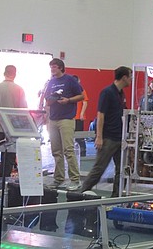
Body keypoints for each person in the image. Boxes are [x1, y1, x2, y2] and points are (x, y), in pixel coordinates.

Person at [80, 66, 133, 197]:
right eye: (130, 76)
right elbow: (100, 115)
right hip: (108, 138)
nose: (131, 79)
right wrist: (99, 137)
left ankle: (116, 197)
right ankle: (80, 194)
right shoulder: (107, 92)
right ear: (124, 77)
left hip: (120, 138)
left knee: (122, 171)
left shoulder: (121, 94)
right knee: (99, 169)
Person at [44, 58, 84, 191]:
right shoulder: (51, 82)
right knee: (56, 151)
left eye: (54, 67)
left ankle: (75, 179)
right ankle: (58, 178)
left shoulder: (70, 80)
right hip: (53, 118)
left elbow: (81, 96)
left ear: (60, 67)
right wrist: (51, 100)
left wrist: (68, 100)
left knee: (68, 150)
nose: (52, 69)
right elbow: (47, 100)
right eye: (50, 67)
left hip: (66, 119)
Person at [0, 65, 27, 178]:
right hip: (12, 130)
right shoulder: (19, 89)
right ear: (15, 74)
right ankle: (5, 184)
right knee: (8, 159)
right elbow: (23, 110)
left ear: (4, 73)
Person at [73, 75, 88, 157]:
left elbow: (85, 102)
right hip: (71, 117)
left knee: (80, 137)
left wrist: (82, 113)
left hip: (79, 117)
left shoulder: (82, 90)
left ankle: (82, 153)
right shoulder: (71, 91)